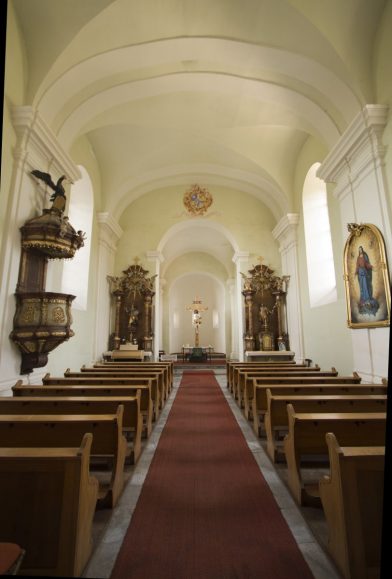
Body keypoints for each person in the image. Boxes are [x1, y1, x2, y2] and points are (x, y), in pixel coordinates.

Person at [355, 246, 379, 314]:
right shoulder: (358, 258)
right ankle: (364, 299)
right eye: (359, 249)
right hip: (360, 273)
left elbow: (366, 264)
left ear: (362, 250)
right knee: (362, 286)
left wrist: (372, 267)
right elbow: (357, 265)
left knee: (366, 285)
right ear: (358, 251)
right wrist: (356, 272)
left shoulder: (365, 256)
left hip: (364, 272)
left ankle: (368, 298)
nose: (360, 250)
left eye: (361, 249)